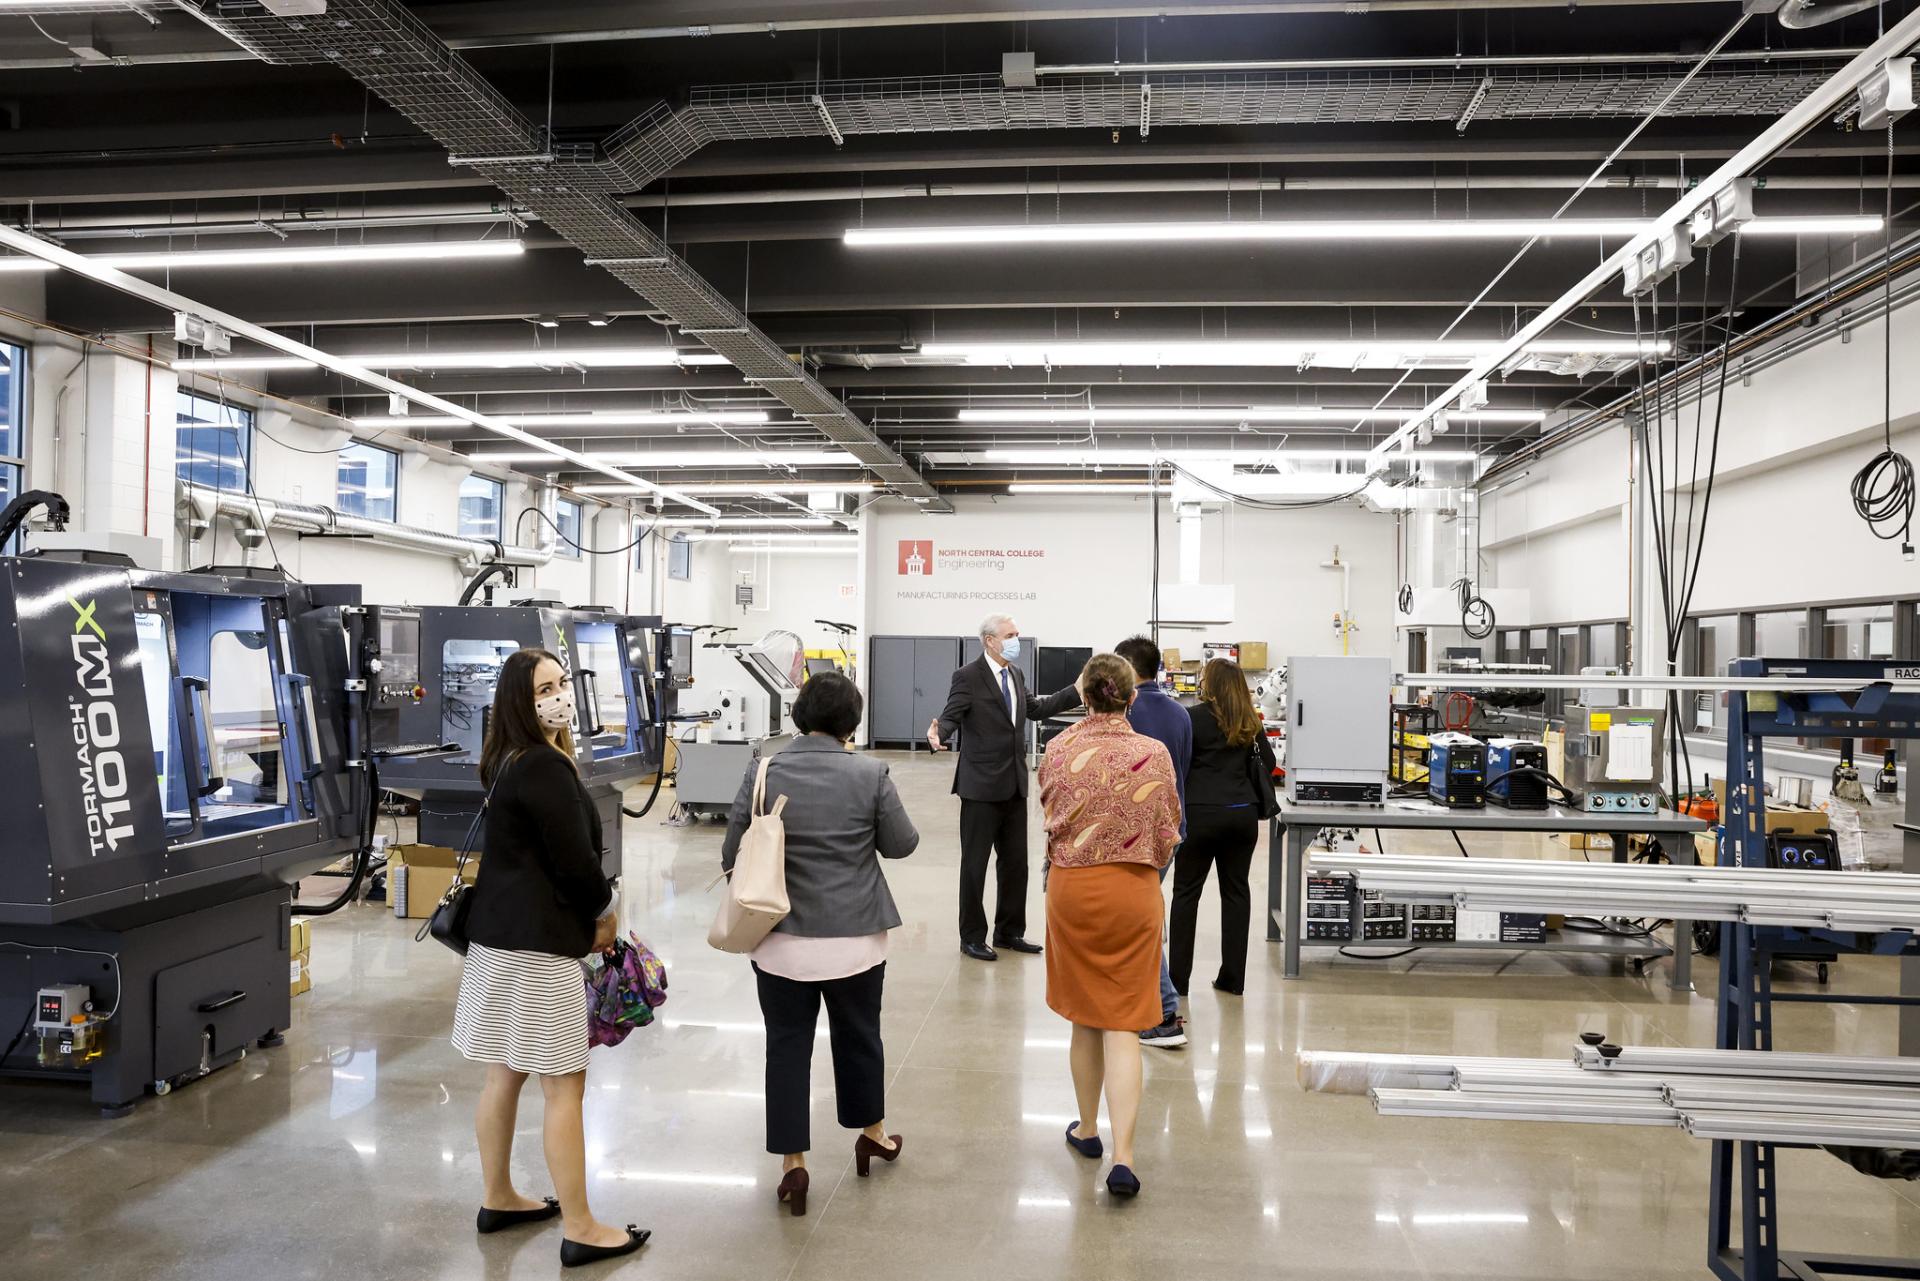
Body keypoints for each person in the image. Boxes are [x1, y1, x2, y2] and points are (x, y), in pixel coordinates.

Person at [451, 648, 649, 1269]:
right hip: (539, 950)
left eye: (562, 683)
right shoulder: (544, 767)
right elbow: (576, 864)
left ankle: (499, 1197)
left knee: (503, 1072)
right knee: (565, 1087)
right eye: (544, 688)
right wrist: (604, 914)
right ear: (519, 700)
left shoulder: (506, 760)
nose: (559, 696)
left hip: (495, 943)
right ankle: (582, 1226)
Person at [723, 672, 919, 1218]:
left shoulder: (764, 769)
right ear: (851, 723)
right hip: (856, 941)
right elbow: (902, 844)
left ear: (798, 716)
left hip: (780, 941)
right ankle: (873, 1134)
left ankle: (794, 1165)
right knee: (860, 1038)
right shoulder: (870, 772)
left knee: (786, 1047)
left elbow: (730, 852)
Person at [1038, 653, 1181, 1200]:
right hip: (1133, 892)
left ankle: (1088, 1129)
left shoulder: (1058, 748)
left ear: (1083, 694)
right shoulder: (1154, 753)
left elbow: (1051, 821)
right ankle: (1124, 1158)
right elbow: (1169, 830)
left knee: (1083, 1017)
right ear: (1131, 696)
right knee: (1124, 1022)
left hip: (1072, 890)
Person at [928, 613, 1081, 962]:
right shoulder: (967, 676)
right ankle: (971, 936)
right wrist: (939, 735)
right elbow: (951, 715)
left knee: (1015, 865)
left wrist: (1076, 690)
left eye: (1017, 633)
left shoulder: (1015, 674)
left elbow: (1037, 709)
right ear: (989, 640)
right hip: (980, 787)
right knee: (975, 865)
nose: (1016, 639)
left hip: (1014, 784)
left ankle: (1009, 931)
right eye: (1010, 634)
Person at [1172, 659, 1279, 998]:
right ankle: (1232, 979)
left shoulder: (1192, 718)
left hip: (1199, 815)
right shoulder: (1249, 721)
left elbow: (1179, 761)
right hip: (1241, 815)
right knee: (1236, 893)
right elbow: (1271, 764)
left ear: (1210, 684)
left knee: (1186, 894)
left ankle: (1179, 982)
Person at [1112, 635, 1191, 1051]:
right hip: (1170, 831)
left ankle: (1163, 1013)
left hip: (1134, 835)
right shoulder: (1181, 713)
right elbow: (1184, 772)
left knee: (1137, 920)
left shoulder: (1129, 712)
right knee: (1142, 911)